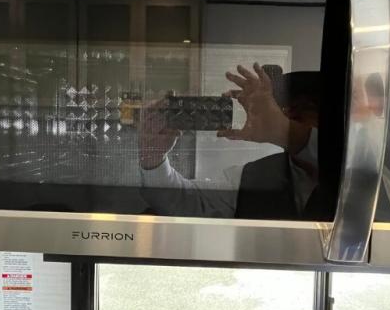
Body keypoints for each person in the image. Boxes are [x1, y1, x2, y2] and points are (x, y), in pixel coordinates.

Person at [138, 63, 324, 220]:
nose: (288, 116)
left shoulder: (342, 174)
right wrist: (154, 159)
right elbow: (184, 203)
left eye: (306, 108)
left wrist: (286, 131)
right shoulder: (251, 177)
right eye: (283, 109)